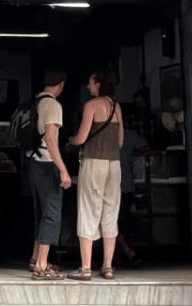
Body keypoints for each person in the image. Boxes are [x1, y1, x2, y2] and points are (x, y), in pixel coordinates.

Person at [67, 68, 124, 280]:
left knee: (88, 210)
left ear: (98, 83)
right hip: (114, 164)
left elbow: (81, 138)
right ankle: (108, 267)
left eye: (90, 82)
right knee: (110, 213)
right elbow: (120, 141)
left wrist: (71, 141)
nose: (88, 86)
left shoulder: (91, 105)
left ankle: (85, 268)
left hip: (94, 163)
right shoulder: (116, 107)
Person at [29, 68, 71, 280]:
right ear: (61, 84)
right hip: (46, 162)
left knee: (41, 212)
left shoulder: (36, 101)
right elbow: (51, 140)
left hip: (33, 162)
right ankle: (42, 266)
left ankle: (35, 258)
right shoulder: (53, 105)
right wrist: (63, 169)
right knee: (52, 213)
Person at [115, 126, 149, 268]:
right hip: (127, 184)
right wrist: (132, 156)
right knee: (120, 223)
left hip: (113, 185)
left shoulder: (103, 135)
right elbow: (146, 148)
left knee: (112, 223)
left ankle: (125, 254)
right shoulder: (128, 134)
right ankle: (124, 254)